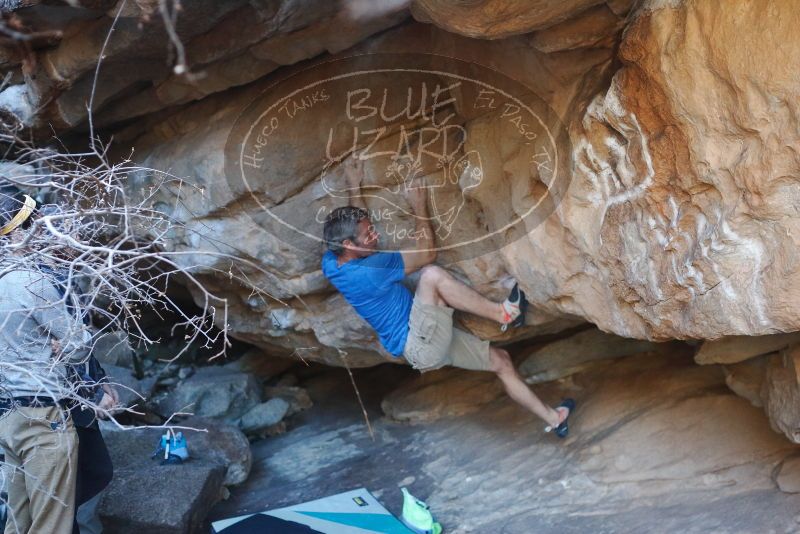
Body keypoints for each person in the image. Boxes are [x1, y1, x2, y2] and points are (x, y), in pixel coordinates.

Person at [321, 158, 574, 435]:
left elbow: (353, 226)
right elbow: (427, 255)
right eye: (368, 234)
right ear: (348, 245)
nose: (375, 234)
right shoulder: (370, 271)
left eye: (371, 228)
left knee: (500, 361)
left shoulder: (332, 263)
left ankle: (555, 419)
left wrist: (352, 185)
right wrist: (418, 205)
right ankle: (504, 314)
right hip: (420, 342)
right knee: (431, 277)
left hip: (423, 336)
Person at [0, 186, 112, 534]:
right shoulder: (31, 281)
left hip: (8, 415)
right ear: (20, 230)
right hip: (44, 414)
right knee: (52, 525)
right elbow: (77, 343)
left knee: (20, 521)